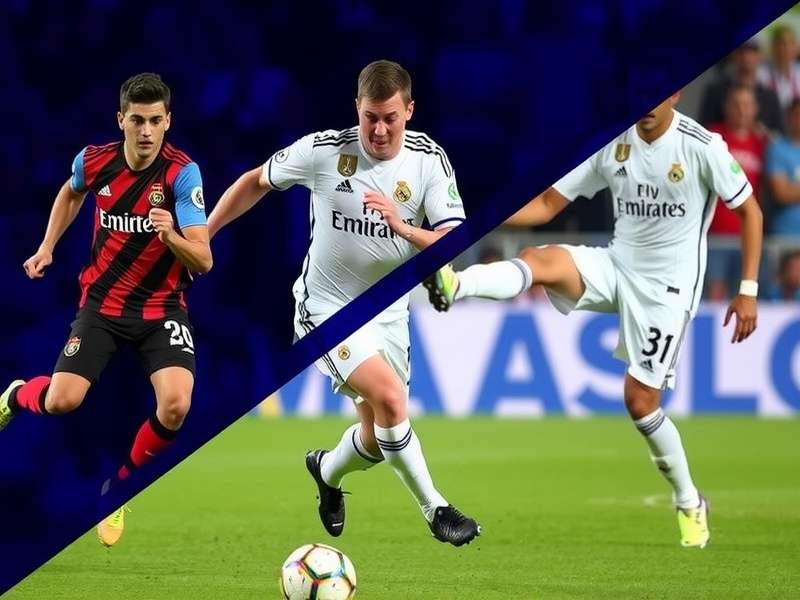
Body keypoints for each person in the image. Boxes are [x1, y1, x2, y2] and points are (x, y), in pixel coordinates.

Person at [426, 93, 763, 549]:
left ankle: (688, 500)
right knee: (539, 260)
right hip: (617, 266)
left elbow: (750, 212)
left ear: (678, 94)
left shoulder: (702, 147)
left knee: (640, 402)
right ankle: (455, 285)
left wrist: (747, 290)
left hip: (667, 290)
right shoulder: (612, 142)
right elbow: (548, 203)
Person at [207, 60, 480, 546]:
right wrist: (205, 234)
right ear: (357, 108)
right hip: (326, 309)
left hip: (390, 315)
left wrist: (402, 227)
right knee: (391, 399)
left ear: (409, 111)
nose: (379, 129)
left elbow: (453, 241)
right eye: (370, 117)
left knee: (376, 439)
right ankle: (436, 508)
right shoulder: (324, 151)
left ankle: (327, 471)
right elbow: (255, 181)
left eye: (390, 118)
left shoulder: (428, 161)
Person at [0, 73, 212, 548]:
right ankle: (16, 396)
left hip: (161, 309)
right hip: (102, 305)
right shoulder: (94, 161)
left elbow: (204, 259)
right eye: (137, 120)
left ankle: (119, 488)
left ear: (168, 121)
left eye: (155, 120)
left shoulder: (182, 175)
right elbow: (71, 191)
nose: (146, 131)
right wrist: (47, 246)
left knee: (176, 405)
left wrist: (170, 235)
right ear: (121, 120)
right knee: (61, 401)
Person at [705, 84, 768, 299]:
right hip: (716, 236)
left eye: (747, 105)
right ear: (726, 107)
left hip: (749, 234)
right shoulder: (711, 138)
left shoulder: (763, 142)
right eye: (736, 104)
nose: (742, 110)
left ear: (755, 109)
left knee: (748, 294)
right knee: (715, 296)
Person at [699, 40, 783, 134]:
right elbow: (703, 127)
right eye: (742, 52)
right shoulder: (716, 91)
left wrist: (765, 134)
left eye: (752, 52)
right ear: (734, 55)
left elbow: (779, 133)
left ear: (760, 56)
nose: (746, 56)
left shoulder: (770, 97)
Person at [765, 99, 800, 237]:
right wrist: (788, 190)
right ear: (789, 118)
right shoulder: (778, 148)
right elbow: (781, 193)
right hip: (784, 233)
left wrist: (793, 189)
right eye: (797, 115)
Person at [757, 25, 800, 111]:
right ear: (773, 47)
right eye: (781, 44)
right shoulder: (760, 73)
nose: (786, 49)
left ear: (796, 48)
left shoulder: (798, 72)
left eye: (790, 44)